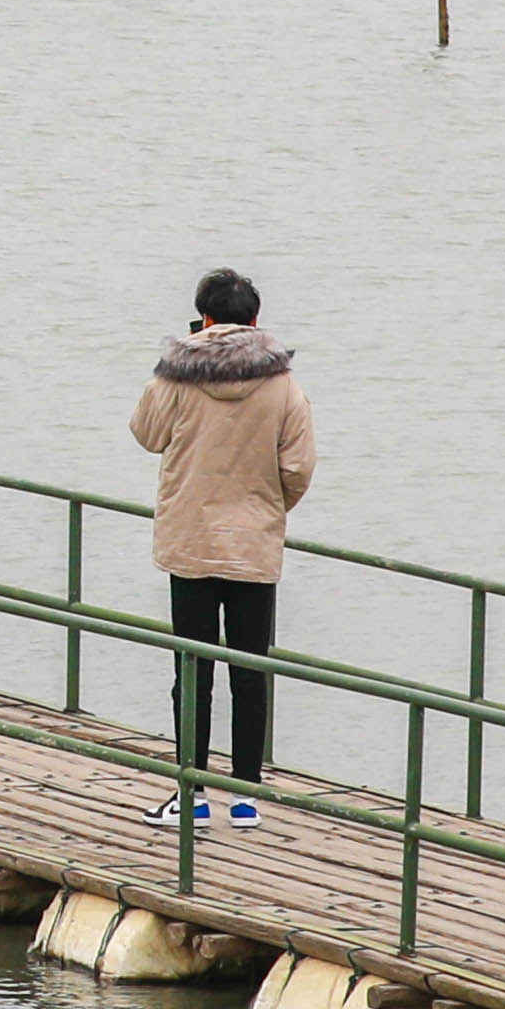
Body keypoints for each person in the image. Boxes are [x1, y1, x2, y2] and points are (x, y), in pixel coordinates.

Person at [130, 268, 316, 819]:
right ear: (256, 321)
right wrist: (267, 509)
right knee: (249, 672)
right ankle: (247, 797)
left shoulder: (178, 376)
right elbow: (299, 467)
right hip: (253, 548)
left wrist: (177, 358)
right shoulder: (283, 384)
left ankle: (192, 795)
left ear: (204, 318)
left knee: (192, 670)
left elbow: (145, 433)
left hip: (190, 543)